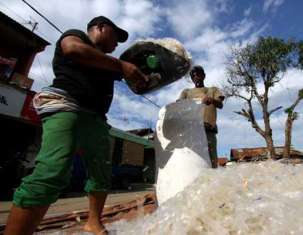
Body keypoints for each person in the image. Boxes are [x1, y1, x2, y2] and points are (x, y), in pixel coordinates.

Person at [4, 16, 148, 235]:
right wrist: (120, 64)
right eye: (115, 36)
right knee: (53, 171)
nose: (117, 44)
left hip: (97, 119)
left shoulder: (108, 63)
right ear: (100, 27)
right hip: (65, 104)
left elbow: (137, 80)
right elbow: (73, 49)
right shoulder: (77, 36)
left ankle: (93, 222)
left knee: (101, 174)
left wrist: (145, 73)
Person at [177, 65, 224, 168]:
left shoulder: (212, 90)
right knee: (193, 162)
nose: (196, 77)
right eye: (193, 76)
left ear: (204, 76)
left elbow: (220, 104)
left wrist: (212, 100)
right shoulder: (186, 92)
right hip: (191, 132)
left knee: (212, 162)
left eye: (198, 74)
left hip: (209, 130)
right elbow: (179, 106)